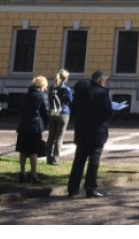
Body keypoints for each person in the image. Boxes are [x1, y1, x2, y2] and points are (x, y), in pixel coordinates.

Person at [67, 70, 113, 198]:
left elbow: (74, 110)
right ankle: (90, 188)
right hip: (97, 132)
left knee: (78, 161)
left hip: (82, 131)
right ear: (100, 81)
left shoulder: (80, 92)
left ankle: (73, 189)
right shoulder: (102, 93)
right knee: (94, 162)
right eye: (105, 81)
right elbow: (107, 112)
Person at [15, 75, 49, 183]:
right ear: (43, 85)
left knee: (23, 150)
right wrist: (44, 124)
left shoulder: (26, 95)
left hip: (23, 125)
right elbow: (45, 112)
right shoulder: (42, 96)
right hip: (35, 127)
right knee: (33, 151)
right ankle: (34, 174)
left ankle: (22, 172)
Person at [47, 68, 73, 165]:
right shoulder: (66, 89)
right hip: (63, 113)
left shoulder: (51, 87)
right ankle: (56, 158)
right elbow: (71, 101)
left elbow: (49, 100)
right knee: (59, 136)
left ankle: (48, 157)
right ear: (65, 78)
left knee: (51, 136)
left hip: (53, 112)